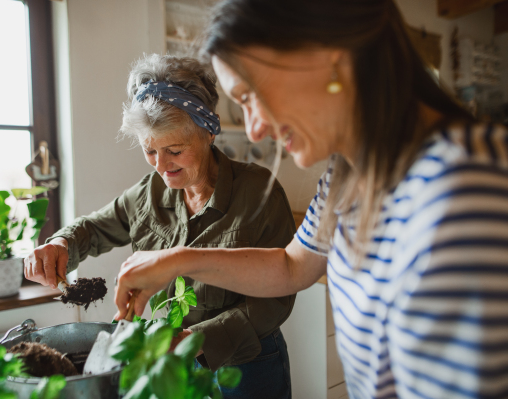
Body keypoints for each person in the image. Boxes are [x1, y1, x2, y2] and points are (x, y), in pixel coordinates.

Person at [114, 1, 508, 398]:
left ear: (326, 56)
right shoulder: (345, 175)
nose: (254, 130)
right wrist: (177, 261)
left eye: (250, 96)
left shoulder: (467, 185)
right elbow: (291, 266)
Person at [24, 54, 296, 398]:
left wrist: (195, 341)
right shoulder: (146, 195)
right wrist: (60, 243)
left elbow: (275, 300)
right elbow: (92, 229)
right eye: (150, 151)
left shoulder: (258, 192)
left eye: (175, 150)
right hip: (169, 364)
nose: (162, 166)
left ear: (208, 133)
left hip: (244, 368)